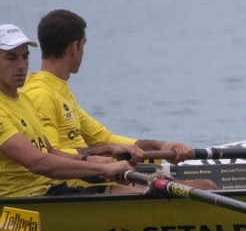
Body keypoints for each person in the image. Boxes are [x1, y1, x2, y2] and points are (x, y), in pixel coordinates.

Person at [20, 10, 199, 166]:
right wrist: (109, 151)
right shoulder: (40, 94)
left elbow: (103, 138)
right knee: (203, 185)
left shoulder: (58, 88)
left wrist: (161, 146)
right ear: (75, 47)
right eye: (83, 45)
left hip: (90, 174)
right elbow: (50, 155)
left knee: (201, 183)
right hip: (71, 183)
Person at [0, 23, 134, 198]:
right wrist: (103, 169)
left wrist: (90, 159)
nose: (22, 65)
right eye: (11, 58)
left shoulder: (23, 99)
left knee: (141, 191)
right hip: (23, 199)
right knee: (134, 194)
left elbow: (50, 152)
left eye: (25, 57)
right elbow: (37, 162)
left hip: (51, 189)